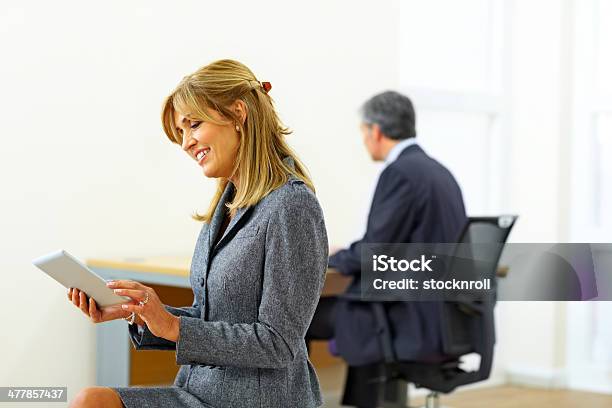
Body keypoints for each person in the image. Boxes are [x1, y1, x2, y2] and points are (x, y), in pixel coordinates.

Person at [67, 59, 329, 408]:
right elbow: (214, 317)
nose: (186, 143)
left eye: (193, 125)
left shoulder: (291, 206)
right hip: (198, 390)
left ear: (238, 114)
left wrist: (173, 326)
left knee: (91, 402)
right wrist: (141, 313)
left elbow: (278, 343)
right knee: (91, 400)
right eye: (181, 132)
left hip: (255, 400)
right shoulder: (226, 203)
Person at [305, 90, 467, 407]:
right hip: (441, 314)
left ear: (375, 131)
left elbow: (374, 252)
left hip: (407, 315)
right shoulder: (439, 172)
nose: (365, 141)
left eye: (364, 133)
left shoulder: (399, 173)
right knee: (357, 309)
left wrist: (334, 257)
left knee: (299, 319)